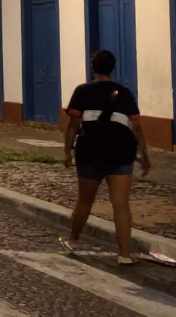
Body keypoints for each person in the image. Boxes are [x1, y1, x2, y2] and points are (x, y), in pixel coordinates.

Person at [62, 49, 149, 264]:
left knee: (84, 201)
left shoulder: (82, 92)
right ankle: (125, 255)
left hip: (90, 152)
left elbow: (72, 125)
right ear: (113, 68)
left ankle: (73, 240)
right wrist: (144, 154)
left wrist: (67, 152)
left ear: (93, 67)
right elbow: (136, 127)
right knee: (120, 204)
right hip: (120, 153)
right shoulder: (124, 92)